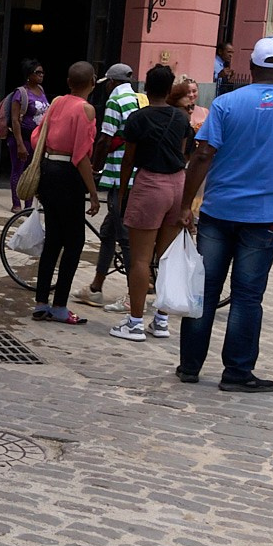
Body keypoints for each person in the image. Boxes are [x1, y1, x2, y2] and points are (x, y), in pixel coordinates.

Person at [176, 37, 273, 392]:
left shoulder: (227, 103)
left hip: (219, 210)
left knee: (206, 289)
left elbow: (202, 155)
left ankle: (189, 366)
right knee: (248, 295)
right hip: (266, 215)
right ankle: (237, 373)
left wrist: (185, 204)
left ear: (251, 64)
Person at [109, 65, 194, 343]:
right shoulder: (181, 118)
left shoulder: (138, 118)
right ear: (170, 90)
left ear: (146, 88)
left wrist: (123, 192)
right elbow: (183, 153)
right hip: (177, 184)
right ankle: (161, 320)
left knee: (141, 259)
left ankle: (134, 322)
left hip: (150, 183)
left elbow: (129, 159)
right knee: (166, 259)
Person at [30, 61, 100, 325]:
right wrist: (92, 192)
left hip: (48, 170)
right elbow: (81, 156)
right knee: (74, 242)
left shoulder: (57, 102)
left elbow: (37, 137)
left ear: (69, 82)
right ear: (93, 81)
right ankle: (59, 305)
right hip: (68, 176)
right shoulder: (86, 109)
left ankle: (40, 302)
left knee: (53, 240)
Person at [76, 63, 138, 307]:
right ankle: (96, 288)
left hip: (118, 175)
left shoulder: (115, 100)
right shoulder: (137, 98)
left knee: (123, 236)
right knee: (108, 232)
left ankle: (135, 295)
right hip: (134, 172)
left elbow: (105, 139)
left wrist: (93, 167)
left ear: (112, 83)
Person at [7, 58, 50, 213]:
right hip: (22, 138)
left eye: (42, 72)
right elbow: (15, 119)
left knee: (32, 170)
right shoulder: (21, 93)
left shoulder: (41, 90)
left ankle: (29, 204)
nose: (41, 75)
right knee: (18, 169)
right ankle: (16, 203)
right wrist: (19, 143)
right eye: (37, 72)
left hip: (36, 140)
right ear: (28, 75)